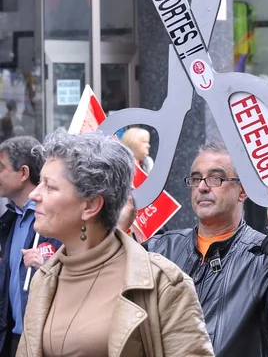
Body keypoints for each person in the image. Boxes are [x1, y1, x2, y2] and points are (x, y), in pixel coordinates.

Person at [16, 129, 214, 357]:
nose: (34, 195)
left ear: (90, 206)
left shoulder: (164, 283)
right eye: (39, 183)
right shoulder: (44, 279)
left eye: (49, 186)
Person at [144, 141, 268, 357]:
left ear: (243, 191)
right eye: (196, 178)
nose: (202, 187)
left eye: (215, 178)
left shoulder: (265, 255)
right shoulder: (162, 248)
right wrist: (119, 226)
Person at [0, 136, 61, 357]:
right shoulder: (9, 221)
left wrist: (43, 264)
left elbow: (74, 272)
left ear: (24, 173)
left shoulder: (55, 218)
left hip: (42, 341)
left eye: (1, 168)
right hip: (12, 337)